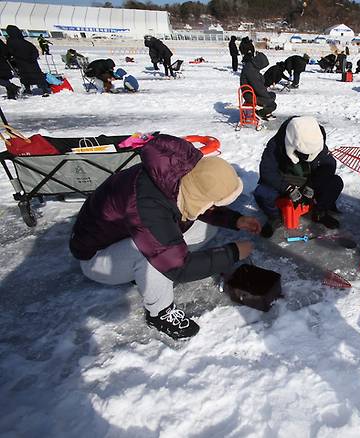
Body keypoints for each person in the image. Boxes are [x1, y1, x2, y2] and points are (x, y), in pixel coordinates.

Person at [69, 135, 261, 340]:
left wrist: (236, 220)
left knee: (205, 227)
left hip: (122, 240)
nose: (212, 205)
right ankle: (159, 313)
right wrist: (233, 252)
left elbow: (197, 201)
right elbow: (179, 268)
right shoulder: (147, 206)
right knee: (156, 255)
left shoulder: (176, 174)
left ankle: (145, 272)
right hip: (98, 261)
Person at [255, 116, 343, 238]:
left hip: (308, 180)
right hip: (285, 180)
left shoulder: (316, 138)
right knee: (262, 192)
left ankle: (320, 212)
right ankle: (274, 217)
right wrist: (288, 188)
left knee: (336, 182)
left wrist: (312, 186)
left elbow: (328, 165)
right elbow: (267, 171)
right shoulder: (276, 144)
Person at [5, 25, 50, 96]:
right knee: (37, 75)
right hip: (32, 62)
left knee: (25, 76)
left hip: (21, 62)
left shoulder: (10, 41)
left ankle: (28, 90)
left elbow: (9, 51)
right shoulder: (25, 41)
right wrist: (32, 58)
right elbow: (34, 50)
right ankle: (45, 90)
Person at [240, 51, 276, 120]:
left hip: (252, 93)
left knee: (272, 95)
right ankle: (260, 113)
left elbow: (260, 83)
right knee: (273, 105)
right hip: (250, 96)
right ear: (259, 63)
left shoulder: (252, 67)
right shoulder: (251, 71)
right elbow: (259, 88)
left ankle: (265, 111)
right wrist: (267, 97)